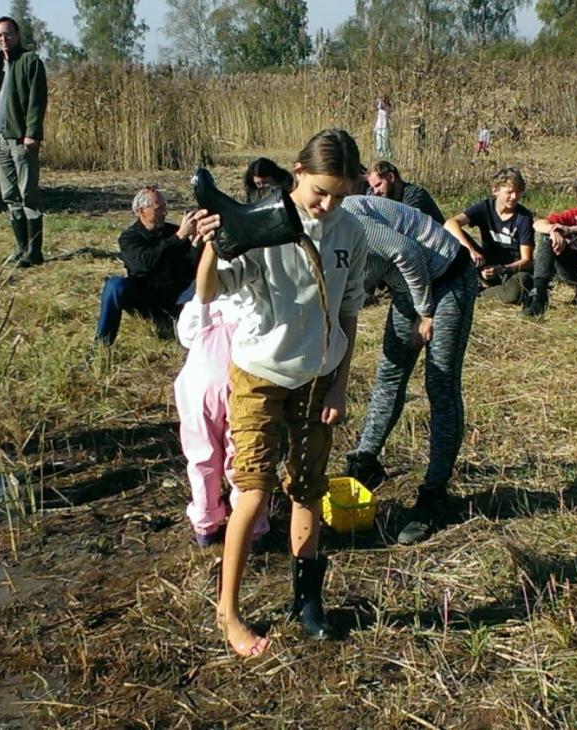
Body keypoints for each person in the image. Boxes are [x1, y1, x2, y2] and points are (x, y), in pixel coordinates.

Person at [192, 128, 368, 657]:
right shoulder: (259, 222)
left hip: (318, 376)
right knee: (253, 490)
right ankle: (230, 611)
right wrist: (210, 246)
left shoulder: (350, 231)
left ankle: (307, 601)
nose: (328, 204)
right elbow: (208, 291)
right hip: (260, 375)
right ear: (297, 172)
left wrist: (338, 381)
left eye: (340, 193)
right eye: (320, 192)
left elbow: (349, 312)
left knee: (309, 486)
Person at [339, 195, 476, 545]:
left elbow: (406, 252)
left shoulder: (345, 221)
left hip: (446, 277)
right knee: (390, 370)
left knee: (440, 382)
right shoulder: (311, 238)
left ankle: (435, 494)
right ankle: (365, 460)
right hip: (408, 285)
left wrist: (426, 312)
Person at [173, 295, 270, 547]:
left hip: (199, 385)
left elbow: (184, 335)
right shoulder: (255, 299)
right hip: (243, 382)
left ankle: (206, 525)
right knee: (242, 453)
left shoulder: (201, 301)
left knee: (202, 454)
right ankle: (252, 525)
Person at [0, 15, 48, 268]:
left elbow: (36, 101)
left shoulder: (30, 61)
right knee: (9, 195)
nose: (3, 39)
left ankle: (34, 252)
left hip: (21, 139)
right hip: (0, 141)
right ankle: (20, 248)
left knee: (28, 194)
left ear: (17, 35)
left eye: (7, 34)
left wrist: (32, 132)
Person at [94, 186, 198, 345]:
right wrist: (178, 238)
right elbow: (143, 264)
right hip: (145, 296)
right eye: (159, 208)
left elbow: (190, 268)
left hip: (174, 296)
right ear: (141, 211)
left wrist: (196, 245)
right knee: (114, 286)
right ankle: (102, 345)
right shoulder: (129, 238)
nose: (165, 212)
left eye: (165, 207)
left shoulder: (173, 231)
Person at [446, 167, 535, 305]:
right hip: (485, 264)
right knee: (453, 237)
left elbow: (526, 260)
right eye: (510, 192)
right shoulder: (485, 207)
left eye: (518, 193)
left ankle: (480, 293)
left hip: (512, 270)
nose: (514, 197)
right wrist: (471, 250)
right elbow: (450, 223)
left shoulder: (524, 218)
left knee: (518, 289)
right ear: (495, 190)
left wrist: (502, 269)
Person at [525, 174, 577, 317]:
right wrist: (553, 231)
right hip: (571, 267)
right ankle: (539, 292)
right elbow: (537, 224)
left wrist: (571, 230)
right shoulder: (573, 215)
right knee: (546, 238)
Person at [365, 160, 445, 224]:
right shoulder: (377, 195)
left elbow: (404, 224)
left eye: (378, 185)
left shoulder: (416, 195)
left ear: (391, 177)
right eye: (372, 188)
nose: (375, 192)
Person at [374, 95, 392, 159]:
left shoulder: (387, 108)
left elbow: (384, 107)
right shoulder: (379, 109)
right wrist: (375, 128)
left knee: (385, 144)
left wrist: (384, 101)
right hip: (379, 127)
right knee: (379, 144)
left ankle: (387, 156)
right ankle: (380, 156)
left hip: (385, 127)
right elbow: (379, 107)